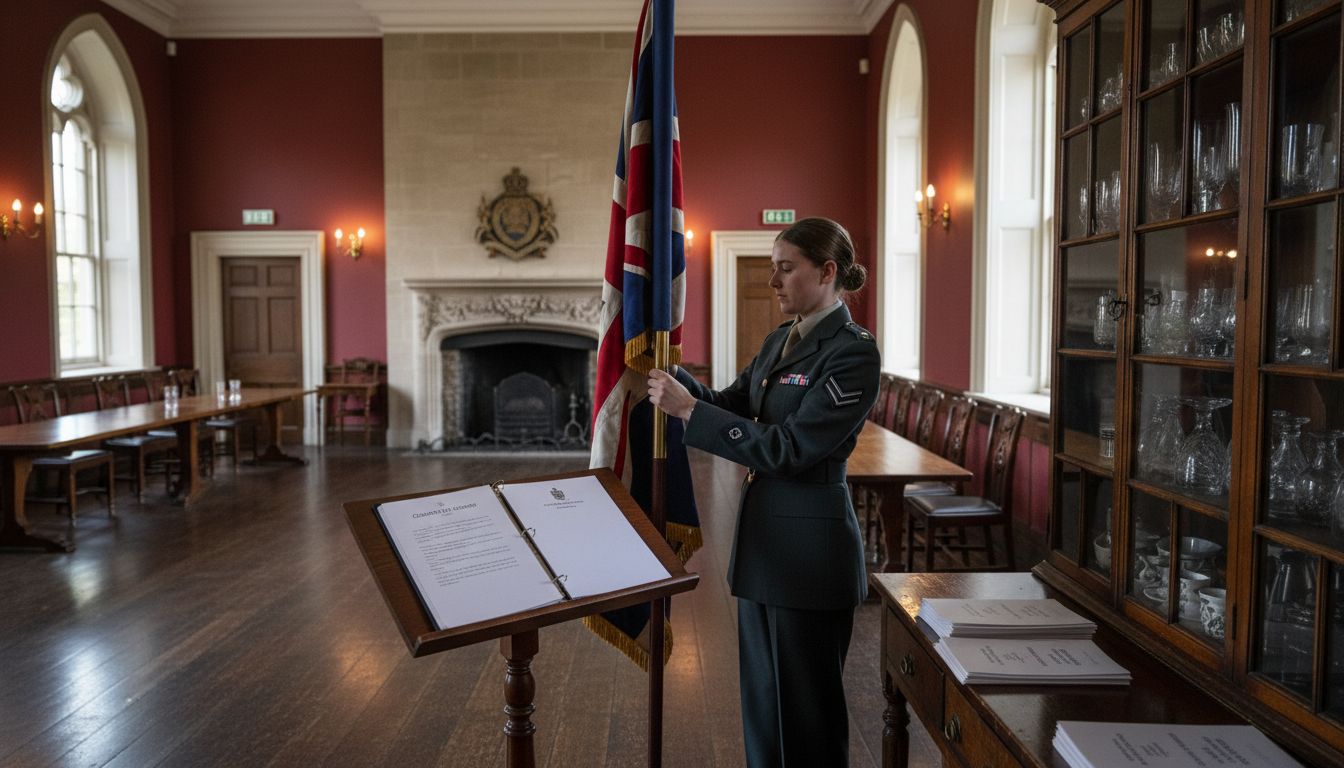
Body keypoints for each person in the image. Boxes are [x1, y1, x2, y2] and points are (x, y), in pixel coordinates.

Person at [647, 216, 880, 767]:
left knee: (806, 720)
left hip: (808, 559)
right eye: (772, 269)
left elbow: (790, 451)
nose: (772, 281)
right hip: (764, 550)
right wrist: (678, 378)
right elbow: (734, 402)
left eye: (784, 269)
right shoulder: (782, 339)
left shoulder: (852, 352)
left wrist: (690, 412)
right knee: (764, 711)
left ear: (827, 272)